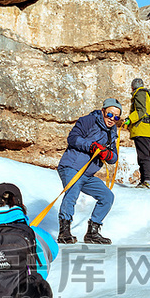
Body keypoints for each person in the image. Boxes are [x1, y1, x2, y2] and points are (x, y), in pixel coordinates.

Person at [56, 98, 121, 245]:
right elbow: (72, 138)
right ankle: (64, 231)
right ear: (103, 111)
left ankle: (93, 232)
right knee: (72, 193)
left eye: (116, 117)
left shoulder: (112, 132)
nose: (112, 119)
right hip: (72, 166)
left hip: (88, 174)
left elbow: (113, 157)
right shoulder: (89, 120)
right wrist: (91, 146)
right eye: (110, 114)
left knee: (107, 196)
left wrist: (108, 155)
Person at [124, 77, 150, 188]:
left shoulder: (140, 94)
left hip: (142, 130)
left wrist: (129, 119)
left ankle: (147, 181)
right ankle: (144, 181)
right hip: (145, 130)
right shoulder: (146, 94)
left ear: (132, 87)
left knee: (144, 157)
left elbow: (141, 111)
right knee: (142, 156)